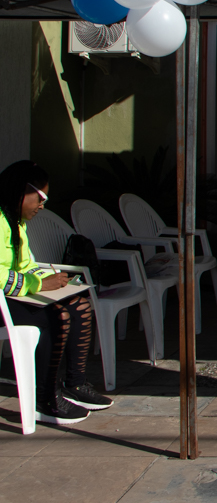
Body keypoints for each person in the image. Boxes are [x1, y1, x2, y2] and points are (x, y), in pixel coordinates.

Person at [0, 160, 112, 424]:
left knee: (80, 306)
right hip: (3, 302)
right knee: (56, 317)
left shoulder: (15, 222)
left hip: (10, 297)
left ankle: (75, 383)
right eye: (40, 197)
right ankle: (44, 397)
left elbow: (25, 265)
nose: (42, 205)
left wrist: (51, 279)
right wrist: (38, 285)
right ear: (21, 190)